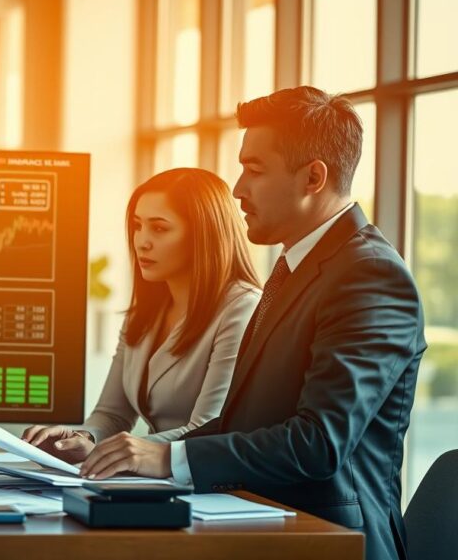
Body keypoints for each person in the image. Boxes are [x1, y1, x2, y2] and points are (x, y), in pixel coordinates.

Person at [78, 87, 425, 560]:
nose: (238, 189)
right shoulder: (294, 269)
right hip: (260, 522)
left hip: (327, 541)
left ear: (313, 178)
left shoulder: (370, 276)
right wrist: (128, 455)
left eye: (254, 170)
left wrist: (165, 456)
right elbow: (245, 422)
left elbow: (318, 442)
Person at [23, 168, 261, 463]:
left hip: (204, 481)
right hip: (152, 482)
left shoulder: (242, 308)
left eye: (159, 228)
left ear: (204, 234)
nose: (141, 241)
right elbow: (111, 414)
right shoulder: (147, 311)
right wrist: (80, 438)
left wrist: (102, 452)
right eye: (137, 226)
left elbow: (207, 429)